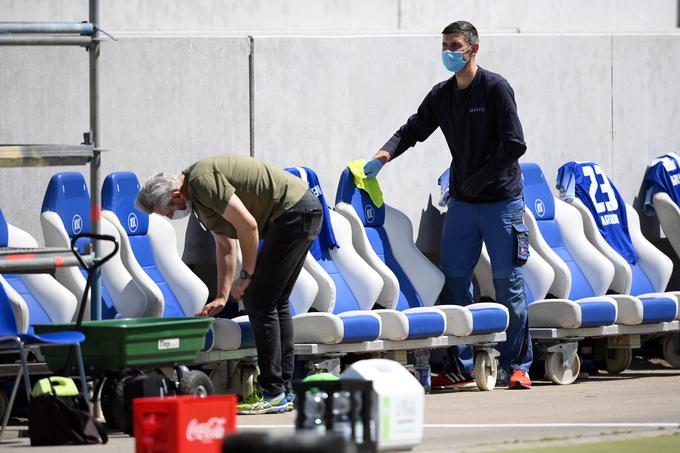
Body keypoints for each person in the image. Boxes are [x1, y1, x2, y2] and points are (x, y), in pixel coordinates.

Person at [362, 21, 532, 389]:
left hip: (502, 202)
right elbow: (412, 129)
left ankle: (518, 365)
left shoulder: (496, 88)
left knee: (509, 286)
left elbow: (515, 145)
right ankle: (461, 364)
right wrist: (383, 155)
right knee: (454, 284)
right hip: (462, 206)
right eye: (444, 46)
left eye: (455, 45)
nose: (448, 52)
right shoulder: (442, 95)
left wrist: (481, 178)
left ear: (474, 49)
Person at [135, 154, 323, 412]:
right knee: (274, 301)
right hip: (300, 211)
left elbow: (248, 226)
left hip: (294, 212)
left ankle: (273, 391)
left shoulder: (201, 182)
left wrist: (246, 276)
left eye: (169, 210)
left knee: (258, 300)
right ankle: (282, 390)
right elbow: (225, 245)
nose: (171, 216)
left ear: (177, 193)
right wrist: (222, 296)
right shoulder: (199, 198)